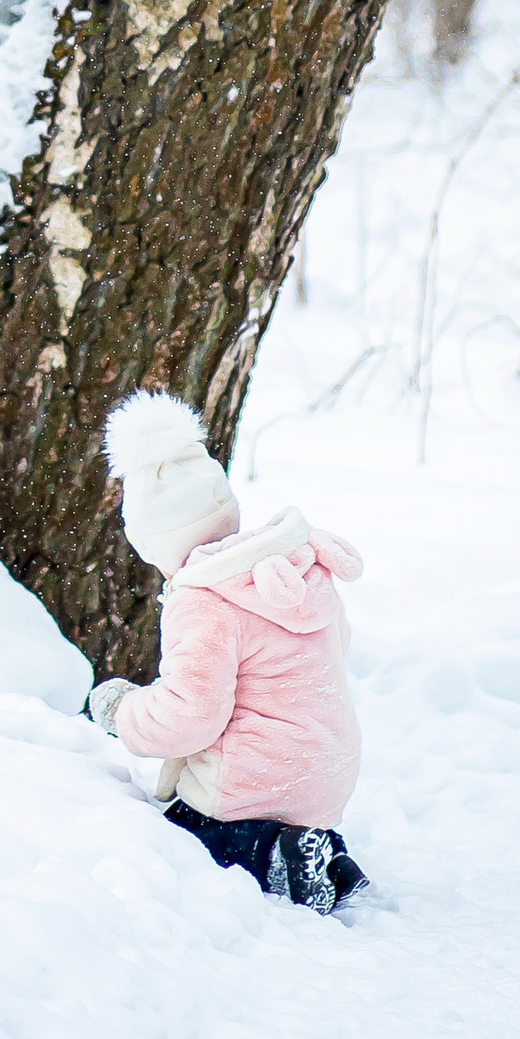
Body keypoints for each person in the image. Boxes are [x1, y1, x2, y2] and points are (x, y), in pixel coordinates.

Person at [87, 391, 369, 912]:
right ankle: (323, 854)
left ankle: (272, 854)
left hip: (253, 784)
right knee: (287, 801)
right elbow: (335, 647)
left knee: (186, 837)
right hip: (327, 775)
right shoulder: (292, 566)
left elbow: (191, 717)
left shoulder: (204, 600)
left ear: (152, 541)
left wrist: (122, 712)